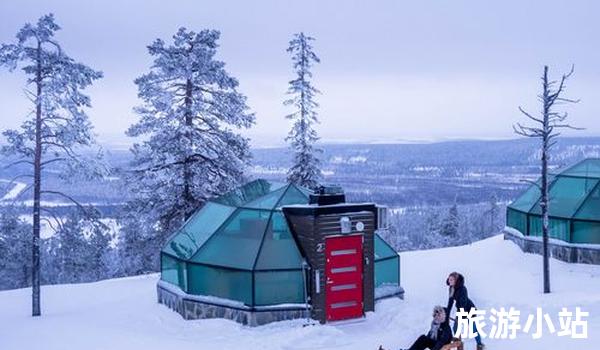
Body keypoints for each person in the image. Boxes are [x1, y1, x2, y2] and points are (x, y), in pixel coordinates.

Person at [446, 272, 485, 350]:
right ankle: (458, 344)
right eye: (449, 279)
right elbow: (450, 301)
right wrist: (447, 312)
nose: (449, 281)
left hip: (469, 310)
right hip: (460, 309)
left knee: (472, 329)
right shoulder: (451, 288)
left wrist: (462, 316)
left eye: (451, 280)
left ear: (456, 280)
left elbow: (463, 303)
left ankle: (480, 345)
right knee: (455, 327)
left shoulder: (463, 289)